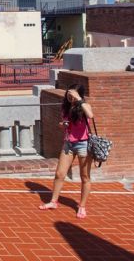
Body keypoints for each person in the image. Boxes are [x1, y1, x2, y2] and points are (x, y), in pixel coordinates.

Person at [39, 84, 94, 218]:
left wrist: (78, 100)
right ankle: (53, 201)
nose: (70, 97)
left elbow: (90, 115)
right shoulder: (66, 107)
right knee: (60, 173)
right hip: (68, 143)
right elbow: (63, 123)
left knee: (85, 176)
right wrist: (62, 124)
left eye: (73, 95)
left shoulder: (84, 106)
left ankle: (82, 206)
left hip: (83, 144)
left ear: (79, 95)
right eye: (69, 94)